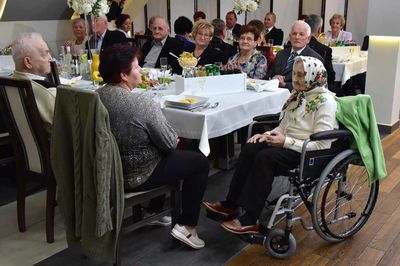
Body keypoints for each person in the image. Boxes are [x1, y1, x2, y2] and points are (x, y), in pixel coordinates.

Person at [204, 56, 338, 234]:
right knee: (251, 147)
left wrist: (285, 141)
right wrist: (266, 135)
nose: (297, 79)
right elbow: (283, 126)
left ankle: (251, 218)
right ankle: (232, 204)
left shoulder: (325, 102)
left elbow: (322, 144)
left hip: (306, 151)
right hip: (286, 143)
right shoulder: (297, 95)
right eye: (295, 74)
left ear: (315, 76)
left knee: (265, 157)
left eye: (302, 75)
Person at [98, 44, 209, 249]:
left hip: (107, 169)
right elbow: (168, 144)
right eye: (137, 66)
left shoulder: (97, 96)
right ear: (124, 75)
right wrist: (172, 138)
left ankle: (153, 212)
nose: (141, 70)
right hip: (136, 175)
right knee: (199, 162)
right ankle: (188, 227)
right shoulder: (142, 103)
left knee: (162, 150)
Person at [11, 32, 56, 135]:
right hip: (53, 150)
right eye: (45, 53)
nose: (50, 58)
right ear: (28, 62)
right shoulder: (49, 92)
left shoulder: (8, 85)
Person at [266, 20, 323, 91]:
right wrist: (274, 78)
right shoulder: (280, 54)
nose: (297, 37)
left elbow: (312, 86)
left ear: (308, 39)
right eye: (294, 33)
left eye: (301, 34)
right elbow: (269, 75)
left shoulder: (314, 59)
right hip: (275, 94)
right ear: (290, 36)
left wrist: (285, 85)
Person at [305, 14, 336, 91]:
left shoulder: (296, 45)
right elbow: (330, 76)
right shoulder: (325, 50)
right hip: (318, 90)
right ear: (319, 29)